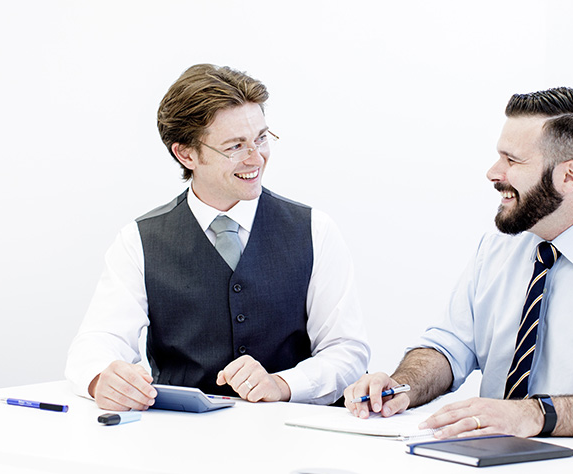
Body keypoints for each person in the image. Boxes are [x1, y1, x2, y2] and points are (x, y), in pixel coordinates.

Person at [344, 87, 573, 439]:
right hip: (489, 458)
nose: (493, 172)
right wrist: (402, 386)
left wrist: (534, 414)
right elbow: (450, 345)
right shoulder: (498, 248)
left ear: (570, 175)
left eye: (512, 160)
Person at [66, 64, 370, 411]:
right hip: (179, 439)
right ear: (186, 154)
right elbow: (95, 343)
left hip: (292, 438)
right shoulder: (138, 240)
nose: (256, 158)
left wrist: (283, 383)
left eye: (261, 138)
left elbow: (347, 350)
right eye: (236, 146)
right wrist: (102, 378)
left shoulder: (316, 230)